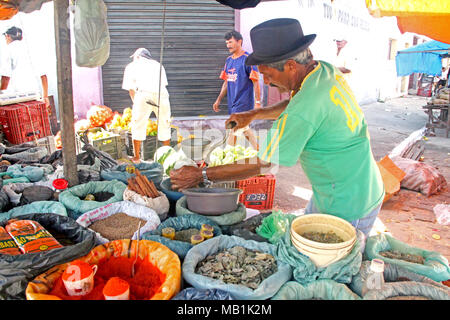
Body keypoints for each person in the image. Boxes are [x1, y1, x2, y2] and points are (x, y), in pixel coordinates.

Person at [171, 18, 385, 239]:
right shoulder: (322, 70)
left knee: (329, 264)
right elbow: (297, 100)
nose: (266, 82)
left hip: (349, 203)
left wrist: (201, 174)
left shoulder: (302, 110)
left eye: (269, 75)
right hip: (344, 187)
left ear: (291, 66)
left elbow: (263, 163)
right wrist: (254, 114)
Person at [122, 48, 172, 163]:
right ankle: (168, 156)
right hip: (162, 94)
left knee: (138, 124)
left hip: (143, 93)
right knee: (164, 123)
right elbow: (163, 84)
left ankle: (136, 157)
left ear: (138, 56)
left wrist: (137, 105)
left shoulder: (132, 66)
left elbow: (131, 89)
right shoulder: (158, 65)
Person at [213, 30, 261, 150]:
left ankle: (228, 154)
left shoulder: (248, 59)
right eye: (226, 43)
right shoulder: (229, 60)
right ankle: (259, 151)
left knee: (233, 127)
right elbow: (226, 82)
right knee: (243, 129)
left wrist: (258, 102)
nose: (228, 45)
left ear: (239, 42)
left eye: (230, 42)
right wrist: (218, 100)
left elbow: (256, 82)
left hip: (244, 101)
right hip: (232, 102)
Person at [0, 26, 49, 106]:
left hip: (16, 99)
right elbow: (43, 76)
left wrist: (1, 97)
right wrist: (45, 96)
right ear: (21, 38)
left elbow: (6, 77)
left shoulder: (8, 50)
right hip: (34, 96)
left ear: (7, 36)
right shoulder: (32, 49)